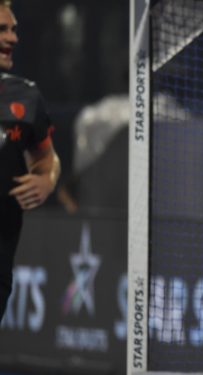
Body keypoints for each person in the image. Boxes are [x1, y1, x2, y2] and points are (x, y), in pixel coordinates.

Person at [0, 0, 60, 319]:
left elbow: (46, 158)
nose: (13, 39)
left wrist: (46, 179)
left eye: (14, 30)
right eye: (2, 30)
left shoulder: (26, 97)